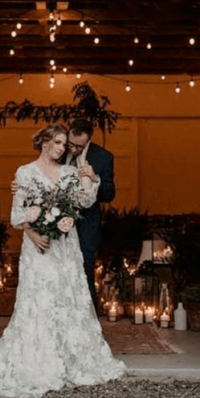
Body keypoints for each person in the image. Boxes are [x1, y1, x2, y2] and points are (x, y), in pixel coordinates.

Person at [0, 124, 126, 398]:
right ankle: (37, 358)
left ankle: (67, 356)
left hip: (65, 248)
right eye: (57, 142)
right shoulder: (25, 173)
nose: (61, 148)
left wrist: (91, 177)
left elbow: (85, 200)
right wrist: (33, 232)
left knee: (66, 300)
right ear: (43, 142)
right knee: (39, 301)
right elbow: (17, 215)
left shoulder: (69, 172)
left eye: (64, 144)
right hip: (39, 248)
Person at [65, 118, 116, 315]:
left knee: (85, 270)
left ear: (89, 140)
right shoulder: (59, 151)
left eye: (79, 146)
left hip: (87, 225)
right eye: (71, 144)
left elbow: (110, 194)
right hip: (58, 224)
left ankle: (89, 320)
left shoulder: (103, 157)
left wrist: (96, 179)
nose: (73, 149)